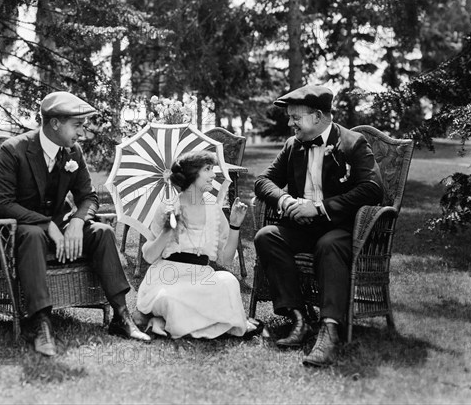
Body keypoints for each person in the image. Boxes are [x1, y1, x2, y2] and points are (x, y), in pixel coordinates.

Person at [0, 91, 150, 356]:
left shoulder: (73, 152)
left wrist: (77, 221)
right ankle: (40, 324)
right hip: (22, 228)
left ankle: (121, 316)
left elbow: (88, 196)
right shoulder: (14, 149)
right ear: (54, 123)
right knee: (33, 235)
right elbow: (2, 203)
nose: (82, 133)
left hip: (62, 225)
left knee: (102, 232)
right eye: (77, 126)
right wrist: (47, 225)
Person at [253, 84, 384, 367]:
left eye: (295, 118)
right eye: (290, 117)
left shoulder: (353, 143)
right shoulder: (293, 146)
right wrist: (285, 200)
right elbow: (263, 181)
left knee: (329, 244)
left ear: (320, 116)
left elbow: (373, 189)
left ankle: (329, 329)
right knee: (267, 236)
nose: (290, 124)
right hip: (302, 229)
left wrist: (320, 208)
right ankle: (299, 318)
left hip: (341, 230)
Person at [135, 150, 264, 339]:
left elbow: (225, 259)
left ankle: (167, 322)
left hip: (202, 276)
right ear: (192, 174)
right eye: (208, 169)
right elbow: (148, 256)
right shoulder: (168, 206)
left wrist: (235, 224)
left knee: (228, 282)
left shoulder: (214, 209)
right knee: (169, 298)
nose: (213, 174)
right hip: (168, 277)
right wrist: (168, 231)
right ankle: (213, 323)